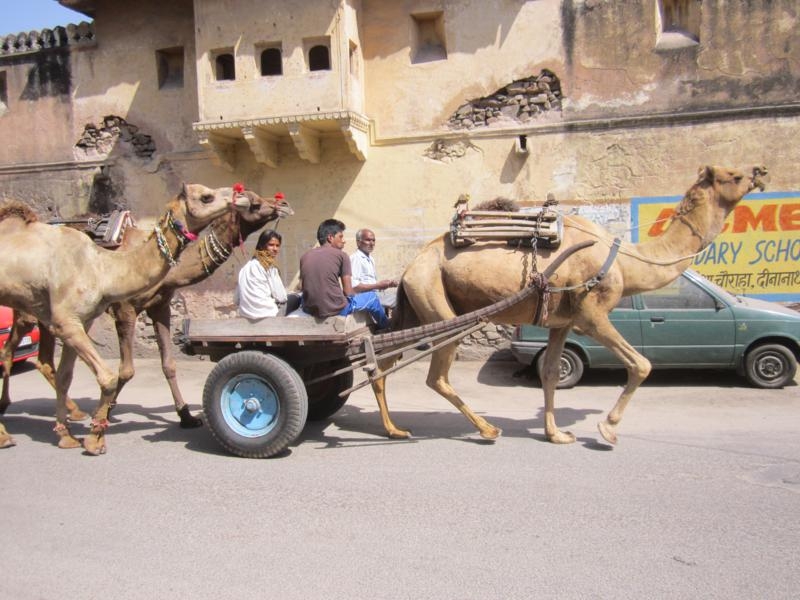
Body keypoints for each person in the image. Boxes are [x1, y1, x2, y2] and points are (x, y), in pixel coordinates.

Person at [299, 219, 390, 329]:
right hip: (336, 309)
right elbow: (348, 292)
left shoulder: (305, 256)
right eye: (341, 237)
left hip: (310, 309)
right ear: (330, 238)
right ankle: (387, 327)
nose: (344, 241)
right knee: (372, 297)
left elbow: (301, 286)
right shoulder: (342, 256)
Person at [234, 229, 288, 319]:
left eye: (277, 245)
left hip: (246, 315)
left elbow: (236, 300)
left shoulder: (245, 268)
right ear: (262, 246)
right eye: (271, 245)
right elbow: (281, 297)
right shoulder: (269, 267)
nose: (275, 249)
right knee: (295, 298)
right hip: (268, 314)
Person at [350, 228, 398, 309]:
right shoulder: (356, 258)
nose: (372, 243)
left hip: (372, 295)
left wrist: (387, 284)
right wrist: (378, 285)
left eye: (373, 240)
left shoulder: (370, 259)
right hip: (365, 297)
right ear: (358, 242)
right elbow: (354, 286)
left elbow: (369, 282)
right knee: (399, 300)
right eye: (368, 240)